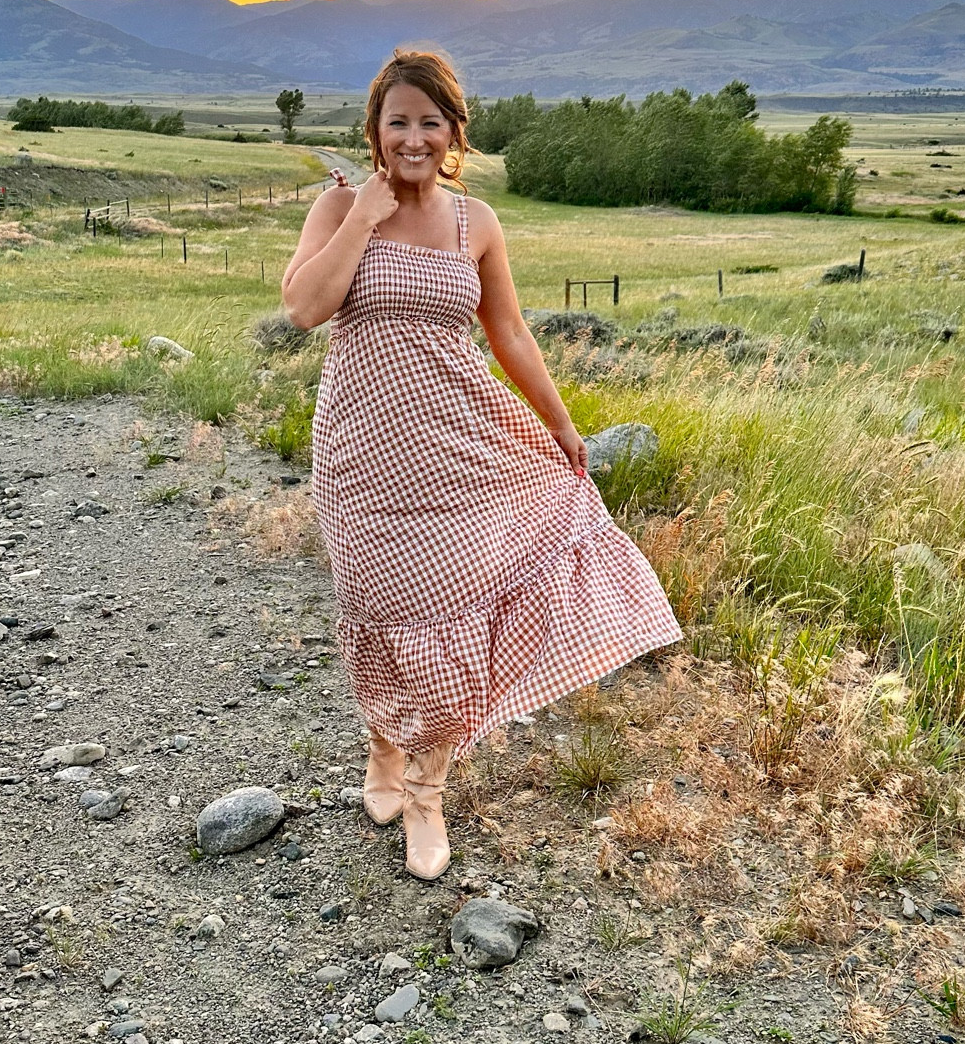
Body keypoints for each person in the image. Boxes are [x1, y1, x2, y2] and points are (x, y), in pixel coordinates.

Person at [282, 49, 680, 881]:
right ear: (376, 130)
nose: (414, 138)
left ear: (454, 131)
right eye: (399, 122)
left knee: (451, 618)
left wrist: (564, 426)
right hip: (360, 454)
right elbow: (304, 309)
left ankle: (427, 791)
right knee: (380, 609)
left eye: (431, 122)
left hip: (458, 450)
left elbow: (511, 337)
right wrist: (362, 216)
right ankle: (383, 745)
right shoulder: (337, 207)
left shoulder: (477, 224)